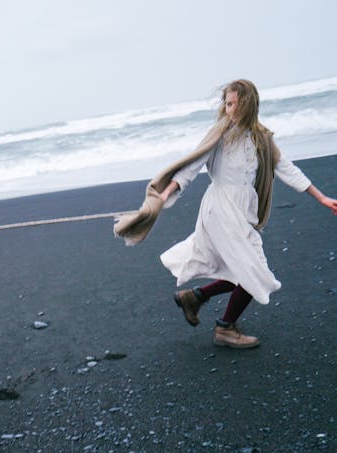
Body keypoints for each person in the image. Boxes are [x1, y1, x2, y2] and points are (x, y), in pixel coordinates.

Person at [114, 79, 337, 348]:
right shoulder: (219, 135)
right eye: (226, 103)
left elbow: (286, 168)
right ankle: (225, 328)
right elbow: (190, 167)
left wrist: (320, 196)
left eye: (233, 103)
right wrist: (163, 194)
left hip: (244, 212)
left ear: (247, 103)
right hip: (219, 209)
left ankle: (195, 297)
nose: (229, 108)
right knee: (254, 271)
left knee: (240, 266)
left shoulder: (262, 138)